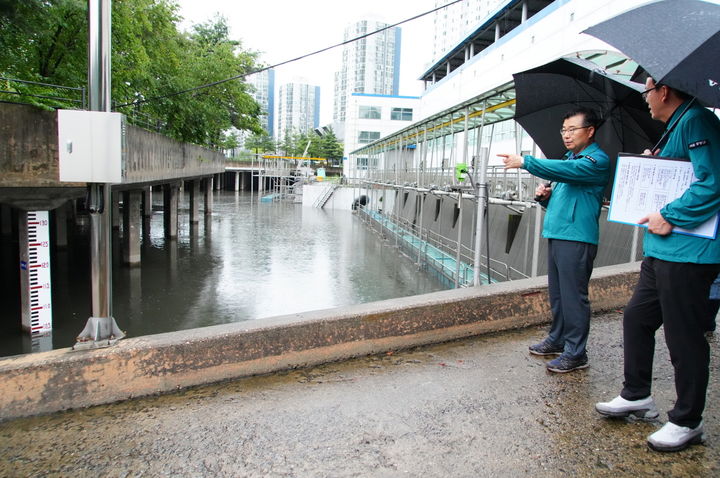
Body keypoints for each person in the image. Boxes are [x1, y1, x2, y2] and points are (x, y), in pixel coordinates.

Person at [595, 78, 720, 452]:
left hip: (688, 251)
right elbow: (685, 173)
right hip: (664, 250)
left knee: (683, 335)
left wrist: (669, 213)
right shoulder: (678, 124)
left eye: (647, 90)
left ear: (664, 91)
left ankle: (687, 420)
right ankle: (636, 393)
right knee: (637, 318)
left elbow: (712, 181)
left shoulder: (696, 120)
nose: (645, 99)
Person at [499, 106, 609, 373]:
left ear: (590, 131)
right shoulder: (570, 158)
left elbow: (569, 174)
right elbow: (566, 197)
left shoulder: (595, 161)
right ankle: (558, 338)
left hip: (577, 238)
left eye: (573, 130)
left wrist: (526, 161)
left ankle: (576, 352)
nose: (566, 135)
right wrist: (545, 197)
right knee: (559, 295)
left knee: (574, 297)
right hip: (559, 233)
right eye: (564, 130)